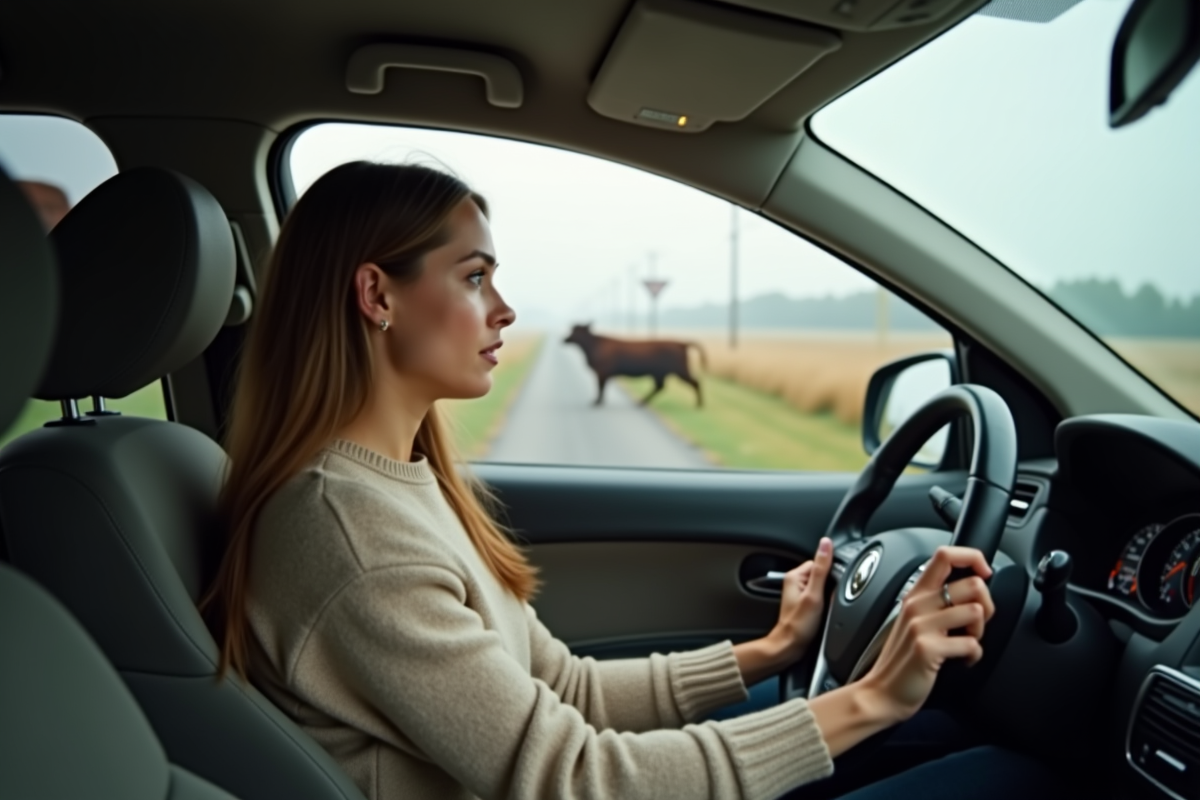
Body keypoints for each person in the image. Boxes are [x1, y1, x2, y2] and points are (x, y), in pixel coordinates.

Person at [202, 162, 1004, 800]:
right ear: (377, 295)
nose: (506, 309)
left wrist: (768, 652)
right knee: (1009, 777)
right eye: (475, 276)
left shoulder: (402, 485)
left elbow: (561, 686)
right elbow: (572, 777)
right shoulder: (347, 528)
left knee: (940, 742)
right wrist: (869, 698)